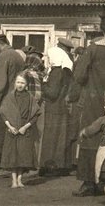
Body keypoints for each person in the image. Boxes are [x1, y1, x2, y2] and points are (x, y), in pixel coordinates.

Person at [73, 9, 105, 197]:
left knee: (90, 137)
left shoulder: (93, 48)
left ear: (102, 26)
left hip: (94, 100)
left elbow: (79, 75)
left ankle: (88, 183)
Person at [0, 34, 26, 168]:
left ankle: (4, 165)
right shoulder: (17, 56)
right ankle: (14, 165)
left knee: (2, 134)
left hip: (6, 102)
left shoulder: (3, 56)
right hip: (18, 99)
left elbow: (0, 82)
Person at [0, 72, 41, 188]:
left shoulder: (30, 98)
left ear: (26, 84)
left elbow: (35, 115)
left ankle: (19, 179)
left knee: (23, 156)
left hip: (24, 130)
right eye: (18, 82)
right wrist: (10, 127)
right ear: (15, 83)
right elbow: (3, 114)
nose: (20, 85)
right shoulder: (9, 97)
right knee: (13, 156)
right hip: (12, 130)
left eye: (22, 83)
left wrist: (25, 127)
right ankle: (13, 181)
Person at [39, 46, 73, 175]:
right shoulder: (65, 71)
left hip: (54, 108)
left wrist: (43, 84)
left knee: (52, 138)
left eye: (48, 56)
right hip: (61, 108)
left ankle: (51, 166)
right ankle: (61, 166)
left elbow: (52, 93)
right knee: (60, 137)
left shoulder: (56, 72)